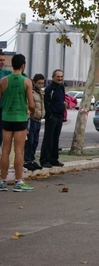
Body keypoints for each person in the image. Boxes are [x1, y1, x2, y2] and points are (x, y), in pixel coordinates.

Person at [0, 54, 36, 192]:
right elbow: (31, 104)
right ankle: (18, 181)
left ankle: (2, 181)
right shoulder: (26, 81)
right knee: (19, 150)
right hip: (20, 118)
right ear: (23, 65)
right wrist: (32, 112)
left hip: (6, 118)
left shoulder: (3, 81)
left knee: (5, 150)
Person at [40, 69, 66, 168]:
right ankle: (44, 160)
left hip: (59, 116)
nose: (60, 78)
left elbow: (62, 99)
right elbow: (46, 103)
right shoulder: (49, 89)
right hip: (52, 117)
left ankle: (54, 159)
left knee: (56, 138)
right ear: (53, 77)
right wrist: (49, 115)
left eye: (61, 76)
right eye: (58, 76)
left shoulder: (62, 87)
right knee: (48, 139)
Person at [23, 74, 46, 171]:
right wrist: (32, 111)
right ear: (34, 82)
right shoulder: (31, 92)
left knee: (35, 141)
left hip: (38, 119)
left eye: (42, 83)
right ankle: (27, 160)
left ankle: (32, 159)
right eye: (39, 83)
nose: (40, 85)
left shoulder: (41, 92)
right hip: (32, 119)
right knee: (30, 141)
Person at [0, 49, 12, 147]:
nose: (2, 62)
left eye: (3, 60)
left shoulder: (5, 73)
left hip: (2, 111)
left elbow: (22, 75)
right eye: (0, 60)